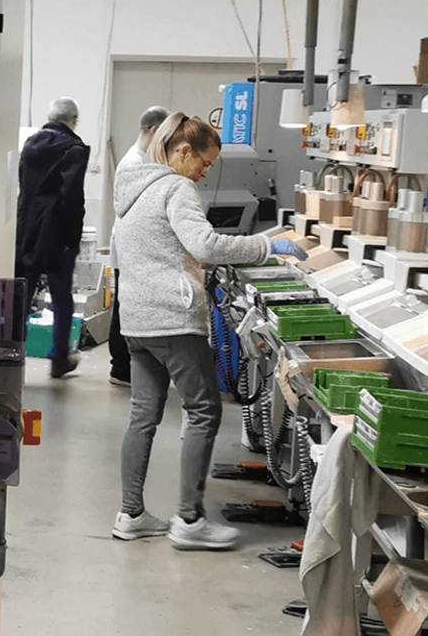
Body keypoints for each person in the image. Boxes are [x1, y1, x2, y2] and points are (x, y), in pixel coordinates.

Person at [108, 112, 301, 550]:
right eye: (205, 163)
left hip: (137, 320)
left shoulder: (134, 185)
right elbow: (206, 245)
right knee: (203, 411)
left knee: (142, 416)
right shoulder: (176, 187)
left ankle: (131, 514)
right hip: (173, 320)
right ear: (182, 152)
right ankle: (190, 521)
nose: (206, 172)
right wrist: (269, 245)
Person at [17, 97, 90, 378]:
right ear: (73, 121)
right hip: (57, 234)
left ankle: (12, 355)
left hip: (26, 231)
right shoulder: (74, 149)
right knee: (61, 297)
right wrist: (73, 238)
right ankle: (59, 358)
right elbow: (71, 199)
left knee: (21, 296)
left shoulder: (30, 145)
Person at [106, 106, 171, 386]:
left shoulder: (145, 160)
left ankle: (126, 367)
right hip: (131, 249)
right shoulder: (135, 163)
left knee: (128, 307)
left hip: (135, 249)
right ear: (154, 131)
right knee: (125, 310)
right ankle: (121, 369)